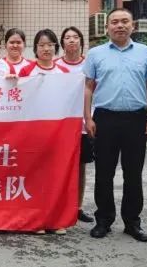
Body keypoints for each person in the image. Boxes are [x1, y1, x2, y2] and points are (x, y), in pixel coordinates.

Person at [83, 8, 147, 242]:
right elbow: (88, 87)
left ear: (132, 25)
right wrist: (88, 118)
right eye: (115, 22)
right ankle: (104, 220)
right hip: (105, 119)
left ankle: (132, 222)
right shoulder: (96, 54)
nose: (120, 25)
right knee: (104, 173)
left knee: (133, 173)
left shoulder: (145, 52)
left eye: (124, 21)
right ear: (107, 27)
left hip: (136, 119)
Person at [18, 28, 68, 235]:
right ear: (35, 48)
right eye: (42, 45)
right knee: (34, 176)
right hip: (33, 132)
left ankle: (55, 220)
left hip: (57, 133)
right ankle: (35, 220)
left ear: (56, 47)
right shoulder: (26, 71)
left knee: (55, 176)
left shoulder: (64, 73)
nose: (46, 49)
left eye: (50, 45)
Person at [56, 26, 95, 224]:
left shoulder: (89, 65)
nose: (71, 40)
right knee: (58, 166)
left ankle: (77, 207)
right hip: (60, 125)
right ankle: (59, 205)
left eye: (75, 37)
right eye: (67, 37)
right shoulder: (55, 65)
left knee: (80, 167)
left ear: (81, 41)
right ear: (62, 43)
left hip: (83, 124)